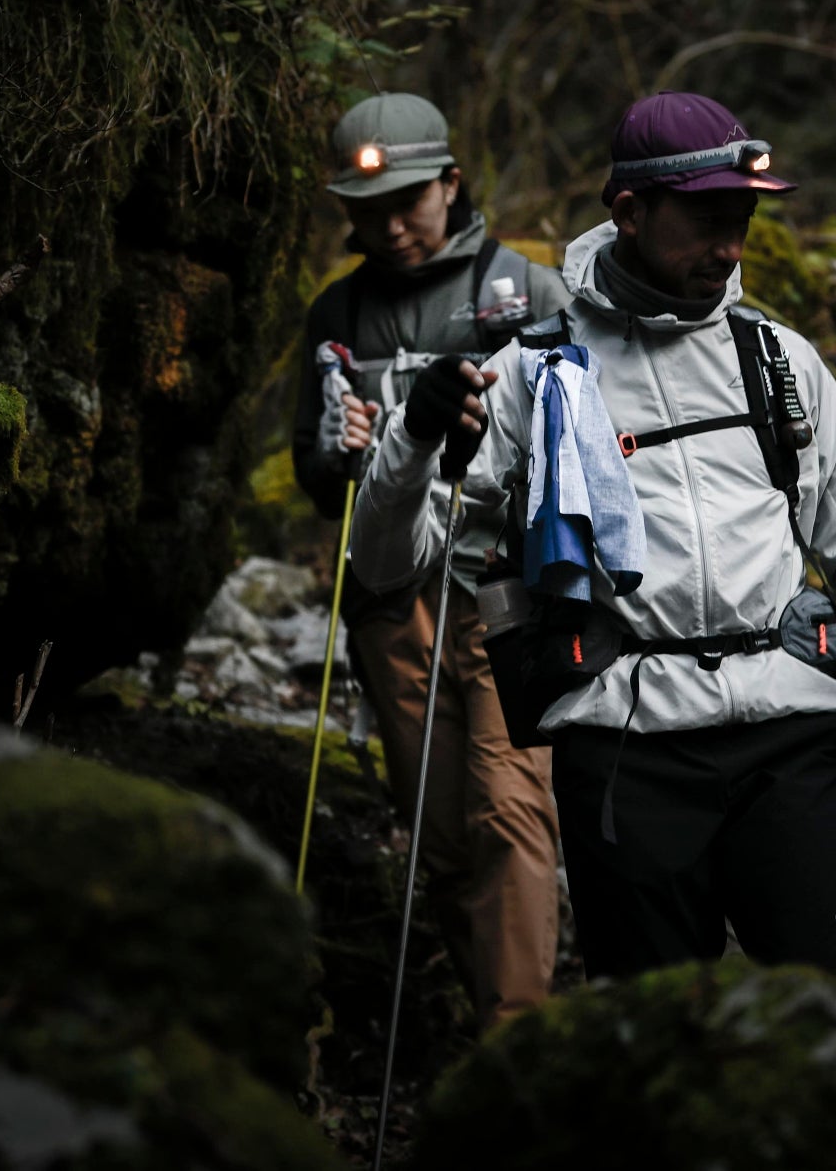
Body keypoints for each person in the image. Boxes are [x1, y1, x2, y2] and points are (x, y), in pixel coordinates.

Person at [348, 91, 836, 982]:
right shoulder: (534, 372)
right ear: (629, 212)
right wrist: (414, 436)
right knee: (660, 1036)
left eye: (740, 219)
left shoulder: (777, 360)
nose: (730, 247)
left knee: (825, 1015)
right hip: (625, 749)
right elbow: (392, 562)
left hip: (792, 736)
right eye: (705, 221)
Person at [291, 92, 571, 1027]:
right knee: (442, 831)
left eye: (409, 199)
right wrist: (341, 447)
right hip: (389, 600)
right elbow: (315, 473)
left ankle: (520, 1045)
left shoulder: (531, 294)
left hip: (505, 590)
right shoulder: (336, 314)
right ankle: (492, 1005)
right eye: (368, 209)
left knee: (509, 807)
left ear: (452, 183)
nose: (391, 224)